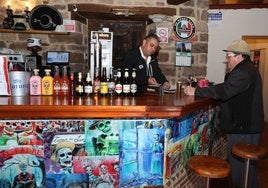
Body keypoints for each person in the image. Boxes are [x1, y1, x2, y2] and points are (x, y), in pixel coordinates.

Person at [184, 39, 264, 188]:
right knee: (245, 171)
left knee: (242, 172)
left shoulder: (244, 71)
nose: (227, 60)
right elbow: (226, 87)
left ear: (239, 56)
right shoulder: (246, 69)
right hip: (244, 126)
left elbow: (226, 91)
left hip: (244, 128)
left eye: (229, 56)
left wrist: (197, 91)